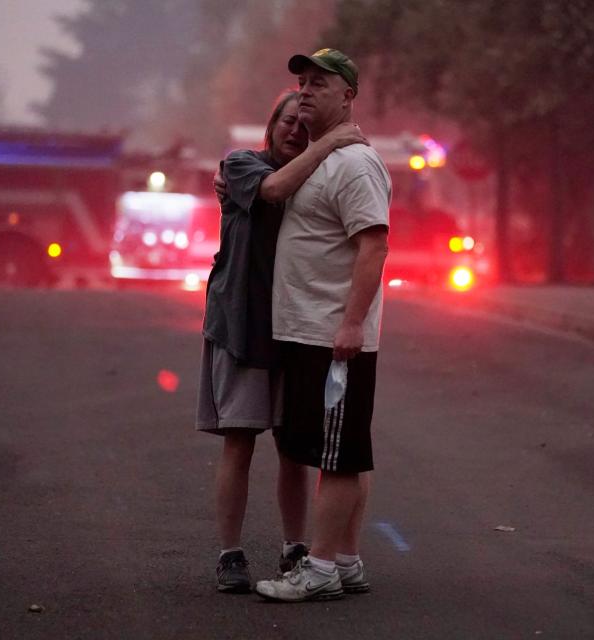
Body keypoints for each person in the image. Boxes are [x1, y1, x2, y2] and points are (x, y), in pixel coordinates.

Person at [196, 90, 367, 593]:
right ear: (271, 125)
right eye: (287, 121)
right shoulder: (243, 165)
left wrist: (336, 144)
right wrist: (331, 140)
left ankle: (295, 546)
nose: (295, 129)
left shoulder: (316, 178)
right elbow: (273, 189)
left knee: (293, 449)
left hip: (297, 330)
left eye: (303, 123)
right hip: (241, 327)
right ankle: (230, 554)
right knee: (240, 441)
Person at [253, 48, 391, 603]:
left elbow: (374, 246)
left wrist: (353, 324)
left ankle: (323, 568)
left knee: (338, 454)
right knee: (336, 449)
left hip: (333, 335)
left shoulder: (356, 164)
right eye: (302, 83)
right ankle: (348, 560)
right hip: (303, 330)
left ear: (348, 96)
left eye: (319, 83)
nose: (306, 91)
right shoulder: (320, 158)